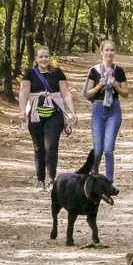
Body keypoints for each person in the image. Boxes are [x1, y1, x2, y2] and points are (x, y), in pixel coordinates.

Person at [19, 46, 78, 190]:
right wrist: (22, 111)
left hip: (54, 113)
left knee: (51, 146)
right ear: (36, 59)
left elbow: (65, 93)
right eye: (41, 57)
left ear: (50, 58)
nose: (44, 59)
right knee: (38, 147)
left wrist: (72, 112)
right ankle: (40, 180)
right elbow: (23, 93)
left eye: (46, 56)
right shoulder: (29, 74)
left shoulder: (57, 73)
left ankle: (51, 178)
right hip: (35, 113)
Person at [84, 40, 129, 181]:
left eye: (112, 50)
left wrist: (115, 84)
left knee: (108, 149)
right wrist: (99, 85)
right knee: (98, 150)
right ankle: (95, 170)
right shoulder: (94, 71)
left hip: (114, 110)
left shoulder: (119, 71)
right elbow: (87, 93)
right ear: (101, 52)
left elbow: (126, 94)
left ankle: (109, 180)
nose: (109, 53)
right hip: (98, 109)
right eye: (107, 50)